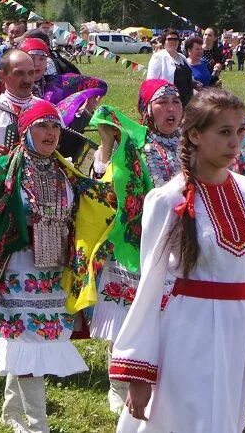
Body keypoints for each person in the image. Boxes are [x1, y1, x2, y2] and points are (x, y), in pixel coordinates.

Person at [110, 88, 245, 432]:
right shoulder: (168, 198)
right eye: (224, 132)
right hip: (188, 329)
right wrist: (140, 368)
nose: (235, 142)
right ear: (196, 135)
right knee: (182, 419)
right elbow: (150, 286)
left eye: (240, 131)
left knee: (224, 420)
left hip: (238, 334)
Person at [0, 100, 114, 433]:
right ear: (25, 130)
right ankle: (38, 425)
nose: (50, 134)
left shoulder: (64, 169)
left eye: (54, 127)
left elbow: (97, 195)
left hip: (52, 274)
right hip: (17, 270)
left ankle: (12, 410)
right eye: (42, 126)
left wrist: (109, 148)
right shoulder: (8, 169)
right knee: (24, 343)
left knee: (33, 344)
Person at [88, 79, 184, 412]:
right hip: (137, 243)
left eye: (175, 102)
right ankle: (118, 384)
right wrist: (105, 143)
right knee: (128, 316)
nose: (171, 109)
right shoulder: (134, 144)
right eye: (162, 103)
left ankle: (162, 382)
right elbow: (102, 178)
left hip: (181, 246)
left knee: (171, 317)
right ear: (146, 111)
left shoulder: (192, 145)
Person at [145, 29, 193, 106]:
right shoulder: (158, 57)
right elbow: (151, 81)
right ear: (164, 41)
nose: (173, 41)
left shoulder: (182, 57)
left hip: (187, 100)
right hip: (168, 102)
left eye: (176, 39)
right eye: (169, 39)